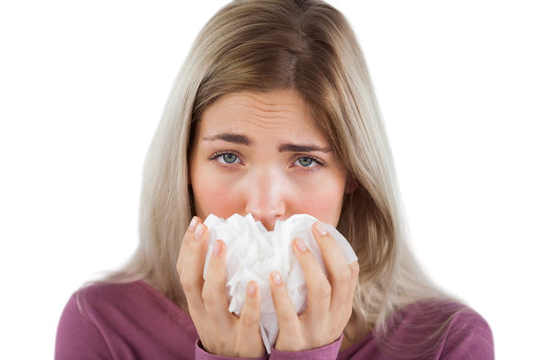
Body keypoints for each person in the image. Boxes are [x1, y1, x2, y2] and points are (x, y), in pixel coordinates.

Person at [55, 0, 494, 358]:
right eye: (228, 156)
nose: (264, 207)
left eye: (304, 161)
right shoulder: (103, 327)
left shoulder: (447, 343)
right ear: (184, 166)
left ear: (353, 175)